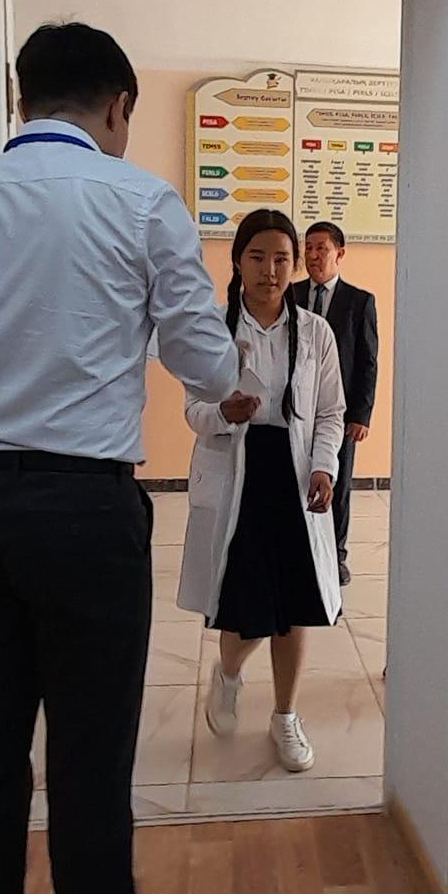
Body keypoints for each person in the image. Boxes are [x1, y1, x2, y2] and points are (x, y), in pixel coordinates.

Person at [0, 21, 239, 894]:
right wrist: (223, 379)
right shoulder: (137, 199)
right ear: (117, 106)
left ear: (22, 98)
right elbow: (203, 353)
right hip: (81, 506)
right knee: (90, 746)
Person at [177, 210, 345, 773]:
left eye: (281, 259)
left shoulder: (316, 333)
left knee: (295, 604)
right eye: (257, 257)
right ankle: (227, 675)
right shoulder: (213, 330)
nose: (269, 270)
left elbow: (330, 412)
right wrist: (223, 413)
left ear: (294, 265)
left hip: (294, 478)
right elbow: (194, 411)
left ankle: (285, 715)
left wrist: (324, 468)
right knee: (243, 600)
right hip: (238, 475)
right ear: (237, 261)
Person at [294, 222, 379, 585]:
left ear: (339, 254)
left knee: (337, 484)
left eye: (322, 249)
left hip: (339, 413)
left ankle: (336, 555)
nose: (313, 256)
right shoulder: (291, 294)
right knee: (297, 480)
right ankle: (299, 551)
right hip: (297, 410)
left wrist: (361, 414)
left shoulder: (359, 302)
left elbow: (368, 361)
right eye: (309, 248)